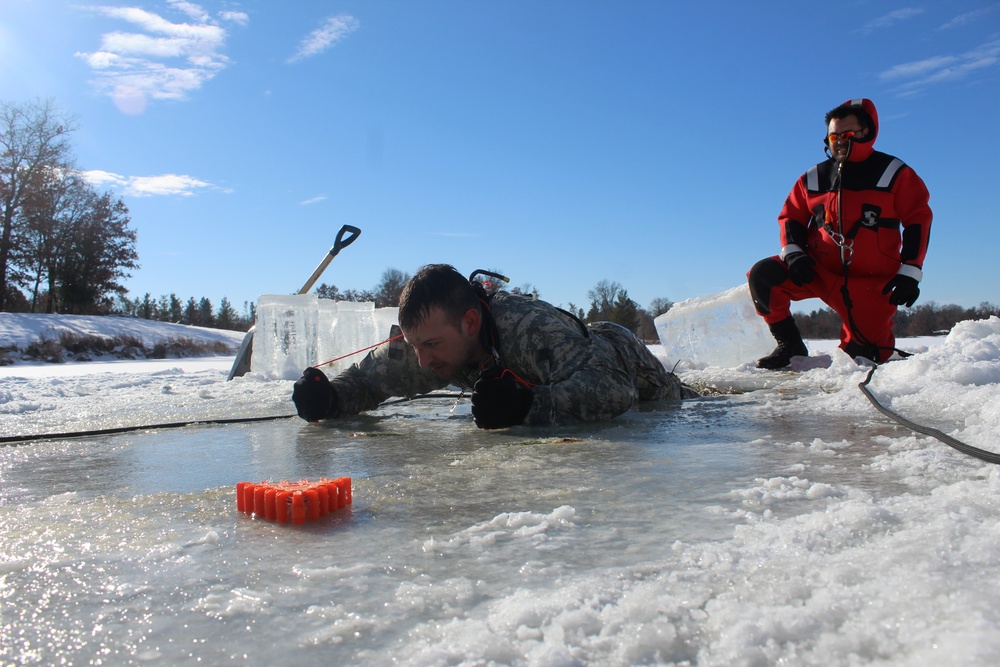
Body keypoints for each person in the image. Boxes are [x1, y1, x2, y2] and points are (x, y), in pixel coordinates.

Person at [292, 264, 697, 428]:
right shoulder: (427, 346)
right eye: (415, 345)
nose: (422, 358)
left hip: (623, 357)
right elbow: (366, 381)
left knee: (678, 399)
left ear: (470, 322)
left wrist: (527, 406)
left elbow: (616, 387)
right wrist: (327, 397)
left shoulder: (527, 327)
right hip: (564, 358)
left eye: (431, 344)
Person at [747, 98, 932, 368]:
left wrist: (910, 271)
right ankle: (789, 345)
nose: (839, 141)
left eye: (847, 135)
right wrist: (794, 254)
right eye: (834, 136)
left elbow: (918, 220)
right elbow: (791, 217)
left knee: (864, 359)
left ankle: (882, 351)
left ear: (866, 133)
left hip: (870, 283)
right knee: (763, 275)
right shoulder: (813, 178)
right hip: (818, 271)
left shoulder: (895, 173)